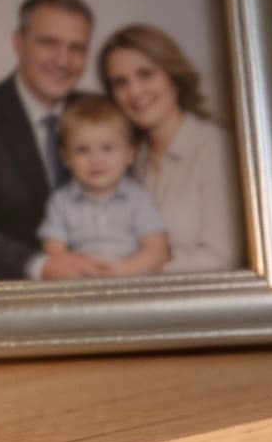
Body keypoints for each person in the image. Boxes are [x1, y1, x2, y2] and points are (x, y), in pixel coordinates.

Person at [0, 0, 103, 281]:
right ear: (19, 42)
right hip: (15, 298)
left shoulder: (103, 113)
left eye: (76, 48)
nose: (63, 60)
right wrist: (43, 265)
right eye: (49, 43)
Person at [99, 22, 246, 273]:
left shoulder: (216, 149)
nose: (134, 91)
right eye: (121, 83)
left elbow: (223, 257)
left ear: (173, 77)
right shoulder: (132, 159)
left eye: (145, 74)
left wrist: (134, 278)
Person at [38, 96, 171, 276]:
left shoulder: (138, 198)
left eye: (107, 148)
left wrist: (124, 270)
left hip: (129, 279)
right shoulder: (61, 201)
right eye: (82, 150)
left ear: (129, 154)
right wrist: (76, 268)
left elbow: (157, 251)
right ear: (66, 157)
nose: (95, 160)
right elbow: (54, 250)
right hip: (82, 280)